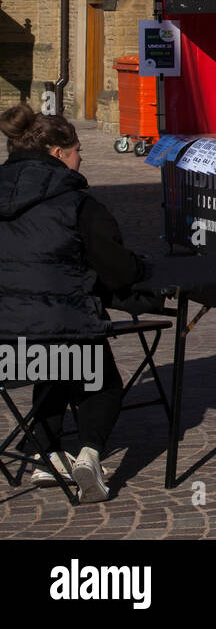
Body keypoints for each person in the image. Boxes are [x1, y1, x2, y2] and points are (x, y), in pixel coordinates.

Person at [0, 105, 156, 502]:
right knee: (101, 383)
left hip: (5, 352)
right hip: (64, 335)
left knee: (50, 365)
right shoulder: (77, 203)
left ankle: (46, 455)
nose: (81, 158)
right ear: (58, 153)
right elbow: (120, 269)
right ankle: (89, 455)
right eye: (77, 150)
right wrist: (142, 270)